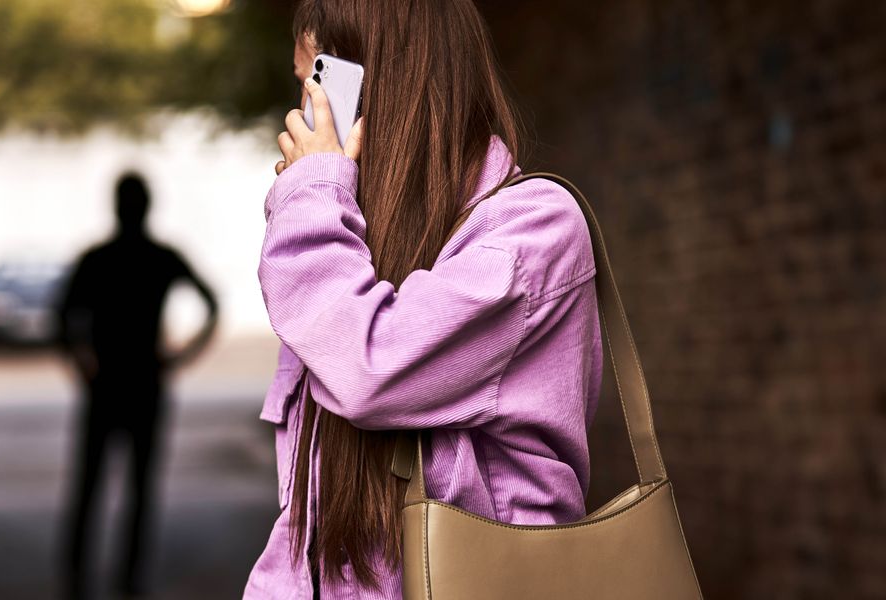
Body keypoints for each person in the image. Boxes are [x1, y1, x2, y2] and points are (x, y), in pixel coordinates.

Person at [245, 1, 603, 598]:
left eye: (317, 81)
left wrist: (313, 195)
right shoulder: (350, 250)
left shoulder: (534, 230)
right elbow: (304, 529)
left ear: (378, 82)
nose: (303, 112)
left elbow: (369, 368)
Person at [55, 171, 219, 600]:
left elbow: (62, 317)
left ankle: (77, 579)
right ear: (148, 206)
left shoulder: (97, 259)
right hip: (146, 383)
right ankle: (128, 580)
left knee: (89, 486)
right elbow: (211, 303)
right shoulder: (160, 257)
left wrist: (82, 364)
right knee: (140, 490)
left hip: (105, 386)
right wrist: (181, 357)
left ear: (116, 205)